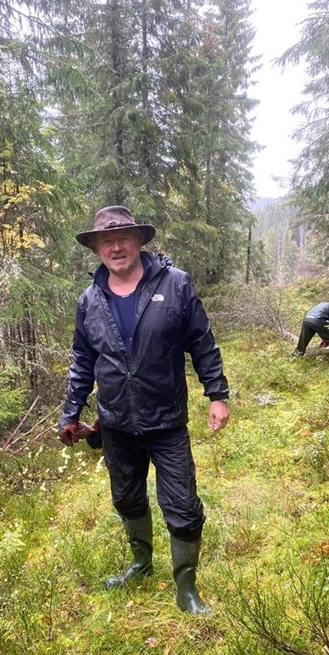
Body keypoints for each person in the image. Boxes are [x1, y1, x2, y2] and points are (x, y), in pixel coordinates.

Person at [58, 206, 230, 614]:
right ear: (97, 248)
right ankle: (140, 563)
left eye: (123, 238)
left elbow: (202, 343)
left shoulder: (176, 285)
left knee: (183, 506)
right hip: (115, 423)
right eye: (106, 241)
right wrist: (70, 413)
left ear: (139, 241)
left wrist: (217, 395)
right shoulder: (89, 300)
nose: (116, 247)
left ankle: (186, 587)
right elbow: (83, 360)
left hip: (166, 421)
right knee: (127, 499)